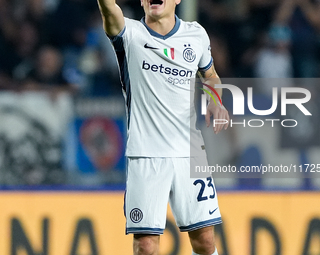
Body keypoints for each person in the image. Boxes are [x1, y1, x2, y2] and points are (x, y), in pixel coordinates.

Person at [96, 0, 229, 254]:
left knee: (205, 240)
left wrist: (215, 100)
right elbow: (107, 8)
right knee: (146, 245)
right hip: (146, 154)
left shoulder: (196, 34)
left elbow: (210, 75)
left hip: (189, 153)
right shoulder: (130, 34)